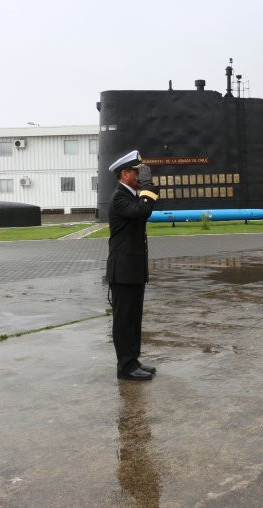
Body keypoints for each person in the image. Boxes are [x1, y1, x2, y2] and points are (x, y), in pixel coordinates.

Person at [106, 150, 160, 381]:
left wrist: (146, 188)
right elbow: (144, 210)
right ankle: (125, 367)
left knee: (134, 317)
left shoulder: (130, 195)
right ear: (125, 174)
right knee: (124, 319)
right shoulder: (119, 197)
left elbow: (145, 207)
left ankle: (133, 360)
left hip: (133, 269)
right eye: (137, 173)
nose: (140, 176)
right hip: (123, 270)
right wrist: (147, 185)